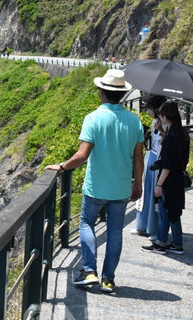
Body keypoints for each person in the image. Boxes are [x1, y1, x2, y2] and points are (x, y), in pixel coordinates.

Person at [46, 69, 144, 293]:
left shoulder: (93, 118)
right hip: (121, 187)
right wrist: (138, 183)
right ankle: (108, 279)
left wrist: (61, 166)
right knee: (115, 232)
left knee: (86, 223)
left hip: (97, 186)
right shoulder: (134, 121)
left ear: (101, 91)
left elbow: (82, 155)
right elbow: (139, 157)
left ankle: (89, 270)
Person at [142, 102, 189, 255]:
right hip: (178, 179)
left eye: (161, 116)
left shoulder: (171, 138)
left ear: (165, 117)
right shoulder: (181, 133)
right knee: (174, 213)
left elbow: (168, 166)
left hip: (169, 181)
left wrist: (159, 184)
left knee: (164, 212)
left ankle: (160, 244)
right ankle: (177, 244)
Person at [131, 96, 166, 240]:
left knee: (153, 196)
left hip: (158, 160)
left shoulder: (164, 124)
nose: (149, 112)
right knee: (146, 193)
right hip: (151, 156)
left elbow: (166, 142)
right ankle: (143, 226)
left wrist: (161, 130)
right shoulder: (155, 122)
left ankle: (154, 229)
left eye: (150, 109)